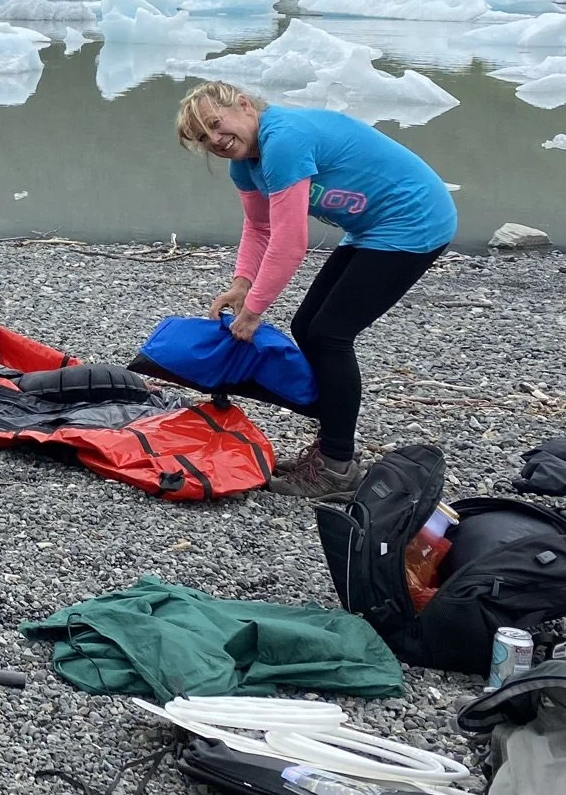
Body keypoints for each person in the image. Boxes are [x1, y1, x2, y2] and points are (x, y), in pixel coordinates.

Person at [176, 81, 456, 497]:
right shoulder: (246, 164)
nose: (215, 140)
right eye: (203, 138)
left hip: (413, 221)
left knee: (330, 334)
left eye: (216, 125)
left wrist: (253, 312)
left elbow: (290, 242)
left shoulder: (283, 138)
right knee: (308, 326)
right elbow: (260, 227)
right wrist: (241, 285)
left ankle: (337, 467)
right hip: (369, 228)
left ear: (244, 105)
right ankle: (332, 450)